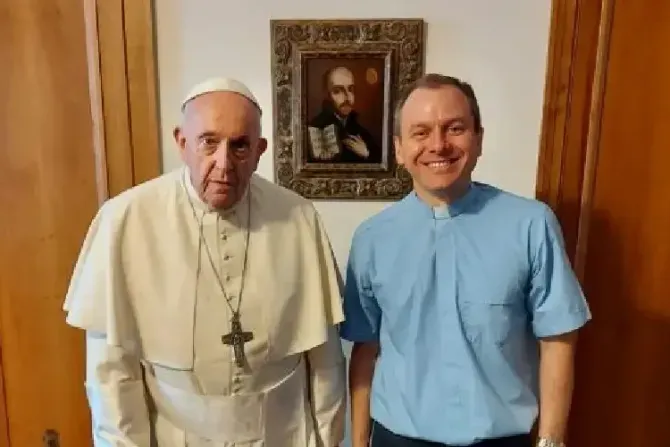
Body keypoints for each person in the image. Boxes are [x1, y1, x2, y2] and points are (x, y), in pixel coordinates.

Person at [63, 77, 347, 446]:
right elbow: (111, 372)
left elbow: (324, 358)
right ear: (182, 142)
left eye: (240, 146)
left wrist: (329, 439)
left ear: (260, 149)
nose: (223, 163)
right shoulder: (125, 220)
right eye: (208, 142)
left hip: (283, 434)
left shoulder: (298, 217)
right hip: (174, 436)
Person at [340, 73, 591, 447]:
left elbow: (558, 338)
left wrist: (552, 440)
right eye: (421, 132)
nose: (438, 145)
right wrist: (358, 443)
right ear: (398, 147)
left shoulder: (531, 225)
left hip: (502, 439)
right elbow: (365, 349)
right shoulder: (372, 239)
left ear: (479, 138)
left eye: (454, 128)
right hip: (398, 438)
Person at [307, 66, 381, 164]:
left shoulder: (361, 131)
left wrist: (366, 153)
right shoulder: (316, 128)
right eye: (338, 91)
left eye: (350, 89)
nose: (347, 97)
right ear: (327, 95)